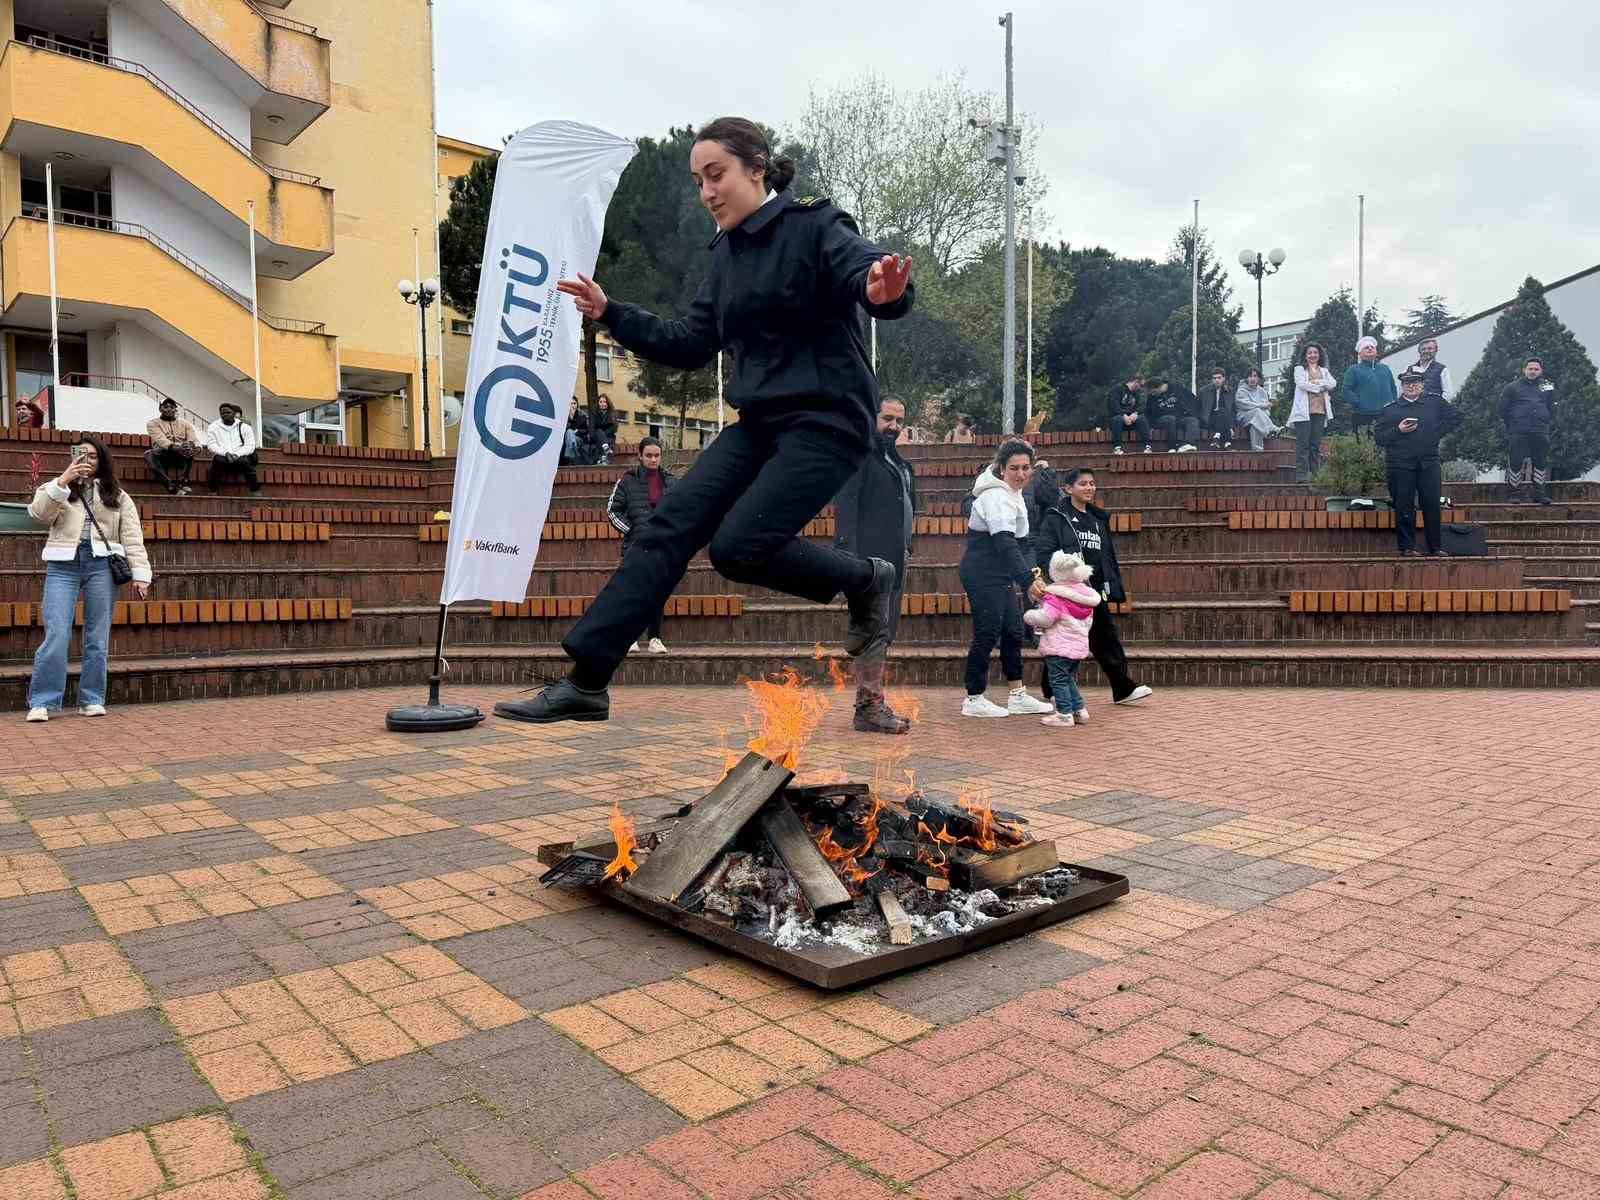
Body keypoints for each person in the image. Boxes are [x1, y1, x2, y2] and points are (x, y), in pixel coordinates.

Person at [497, 117, 913, 724]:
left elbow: (866, 271)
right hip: (762, 424)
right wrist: (613, 312)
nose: (707, 193)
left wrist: (882, 291)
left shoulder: (814, 225)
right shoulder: (725, 258)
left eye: (716, 175)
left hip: (828, 421)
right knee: (667, 526)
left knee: (738, 548)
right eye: (698, 182)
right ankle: (586, 682)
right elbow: (690, 342)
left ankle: (865, 581)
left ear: (756, 168)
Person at [24, 437, 152, 721]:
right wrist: (63, 481)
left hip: (102, 565)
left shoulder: (117, 494)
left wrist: (141, 575)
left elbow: (132, 537)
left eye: (93, 456)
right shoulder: (58, 487)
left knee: (97, 635)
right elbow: (37, 514)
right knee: (57, 632)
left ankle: (91, 698)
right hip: (62, 565)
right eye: (81, 454)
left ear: (102, 460)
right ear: (72, 457)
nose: (87, 460)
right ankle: (43, 701)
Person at [1034, 467, 1153, 706]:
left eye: (1092, 483)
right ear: (1068, 489)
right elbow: (1045, 552)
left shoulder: (1097, 519)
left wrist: (1111, 585)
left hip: (1093, 591)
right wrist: (1062, 578)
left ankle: (1122, 688)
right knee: (1068, 638)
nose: (1089, 488)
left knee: (1105, 636)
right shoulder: (1057, 516)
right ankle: (1054, 689)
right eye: (1082, 484)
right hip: (1069, 591)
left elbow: (1105, 556)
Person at [834, 397, 917, 734]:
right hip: (869, 563)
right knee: (873, 633)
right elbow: (846, 509)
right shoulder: (859, 457)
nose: (893, 427)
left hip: (896, 561)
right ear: (872, 418)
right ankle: (869, 708)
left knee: (884, 634)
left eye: (899, 421)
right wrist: (848, 561)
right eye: (887, 419)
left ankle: (870, 702)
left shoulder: (897, 463)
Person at [959, 440, 1051, 718]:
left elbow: (1022, 545)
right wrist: (1026, 580)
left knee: (1012, 631)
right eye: (1014, 468)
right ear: (1001, 468)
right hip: (981, 573)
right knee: (987, 632)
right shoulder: (995, 496)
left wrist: (1034, 574)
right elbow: (1004, 544)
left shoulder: (1015, 494)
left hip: (1000, 574)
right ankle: (973, 698)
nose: (1021, 474)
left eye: (1025, 468)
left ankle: (1017, 694)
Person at [1374, 367, 1462, 557]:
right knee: (1404, 506)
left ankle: (1436, 547)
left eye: (1415, 382)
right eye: (1407, 383)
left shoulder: (1435, 402)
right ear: (1402, 386)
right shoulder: (1390, 410)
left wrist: (1436, 433)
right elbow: (1379, 438)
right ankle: (1406, 548)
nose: (1411, 386)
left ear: (1422, 384)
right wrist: (1398, 430)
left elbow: (1457, 417)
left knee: (1431, 505)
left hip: (1429, 463)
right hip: (1400, 465)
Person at [606, 436, 677, 652]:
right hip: (635, 547)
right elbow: (612, 510)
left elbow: (682, 510)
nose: (653, 459)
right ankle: (630, 638)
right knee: (633, 593)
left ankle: (655, 638)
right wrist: (631, 531)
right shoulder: (627, 481)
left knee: (656, 593)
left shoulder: (671, 481)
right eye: (648, 455)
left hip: (662, 547)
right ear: (640, 456)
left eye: (656, 456)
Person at [1024, 550, 1100, 728]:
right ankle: (1079, 709)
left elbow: (1046, 618)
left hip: (1058, 646)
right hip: (1078, 646)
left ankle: (1064, 714)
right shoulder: (1086, 595)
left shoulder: (1056, 595)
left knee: (1058, 680)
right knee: (1067, 678)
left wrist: (1030, 615)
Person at [1499, 357, 1557, 505]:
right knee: (1516, 461)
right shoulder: (1511, 387)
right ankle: (1514, 494)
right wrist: (1514, 422)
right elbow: (1502, 411)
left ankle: (1539, 494)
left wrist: (1544, 419)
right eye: (1530, 368)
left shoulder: (1548, 387)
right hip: (1518, 431)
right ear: (1524, 370)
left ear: (1541, 371)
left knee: (1540, 462)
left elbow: (1552, 408)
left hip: (1540, 431)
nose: (1533, 371)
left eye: (1536, 369)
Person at [1290, 343, 1336, 481]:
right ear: (1305, 355)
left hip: (1320, 411)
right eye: (1309, 353)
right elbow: (1301, 384)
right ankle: (1301, 476)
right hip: (1303, 412)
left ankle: (1316, 475)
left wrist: (1317, 382)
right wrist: (1320, 386)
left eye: (1315, 352)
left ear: (1319, 355)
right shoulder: (1299, 369)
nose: (1312, 355)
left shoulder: (1324, 371)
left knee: (1315, 445)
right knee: (1303, 444)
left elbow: (1333, 383)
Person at [1340, 336, 1396, 439]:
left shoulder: (1385, 368)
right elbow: (1346, 390)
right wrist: (1359, 403)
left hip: (1386, 414)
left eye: (1372, 347)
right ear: (1360, 354)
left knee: (1387, 442)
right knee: (1366, 446)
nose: (1370, 349)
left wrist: (1393, 403)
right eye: (1366, 347)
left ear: (1376, 351)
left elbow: (1393, 387)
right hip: (1363, 415)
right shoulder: (1354, 370)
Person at [145, 398, 201, 495]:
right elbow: (161, 440)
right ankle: (170, 486)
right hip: (163, 456)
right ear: (160, 409)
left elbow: (193, 439)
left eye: (172, 407)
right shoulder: (152, 423)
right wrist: (179, 447)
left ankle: (184, 482)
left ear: (175, 409)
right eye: (165, 407)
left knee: (189, 448)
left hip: (181, 456)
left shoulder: (185, 424)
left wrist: (197, 447)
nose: (169, 409)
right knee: (149, 454)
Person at [204, 404, 261, 494]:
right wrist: (225, 453)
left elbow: (250, 446)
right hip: (223, 457)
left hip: (240, 457)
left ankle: (255, 490)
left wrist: (237, 454)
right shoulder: (213, 427)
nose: (225, 414)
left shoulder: (245, 427)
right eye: (222, 413)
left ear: (234, 413)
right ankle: (213, 490)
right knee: (217, 460)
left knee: (245, 462)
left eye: (228, 412)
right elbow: (211, 445)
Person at [1145, 379, 1199, 452]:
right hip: (1161, 419)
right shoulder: (1152, 397)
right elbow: (1148, 413)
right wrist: (1151, 425)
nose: (1153, 394)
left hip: (1179, 417)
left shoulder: (1177, 388)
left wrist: (1190, 412)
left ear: (1159, 387)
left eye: (1154, 392)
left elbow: (1192, 398)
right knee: (1170, 418)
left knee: (1193, 420)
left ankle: (1188, 444)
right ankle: (1172, 446)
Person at [1106, 375, 1151, 454]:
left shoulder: (1136, 394)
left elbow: (1141, 407)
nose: (1141, 388)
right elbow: (1114, 406)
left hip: (1130, 421)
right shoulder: (1117, 389)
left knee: (1142, 419)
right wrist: (1124, 416)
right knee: (1118, 419)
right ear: (1135, 382)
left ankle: (1147, 447)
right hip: (1117, 420)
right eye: (1141, 385)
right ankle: (1117, 448)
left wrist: (1135, 413)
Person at [1234, 368, 1275, 451]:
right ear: (1246, 378)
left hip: (1257, 420)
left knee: (1255, 424)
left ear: (1259, 378)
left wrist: (1263, 410)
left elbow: (1267, 411)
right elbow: (1246, 405)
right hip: (1244, 417)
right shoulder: (1241, 391)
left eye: (1255, 376)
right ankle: (1272, 429)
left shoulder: (1262, 391)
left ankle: (1257, 449)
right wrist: (1262, 406)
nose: (1252, 379)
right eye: (1250, 376)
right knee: (1256, 412)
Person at [1408, 337, 1455, 403]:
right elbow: (1403, 392)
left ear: (1436, 350)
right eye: (1423, 349)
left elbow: (1448, 393)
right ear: (1419, 351)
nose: (1426, 351)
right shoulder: (1410, 369)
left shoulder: (1442, 369)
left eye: (1430, 348)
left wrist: (1437, 407)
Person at [1197, 368, 1235, 448]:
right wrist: (1229, 428)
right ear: (1212, 379)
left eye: (1219, 378)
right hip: (1209, 420)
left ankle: (1216, 437)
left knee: (1222, 411)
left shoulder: (1230, 391)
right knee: (1222, 411)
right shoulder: (1203, 391)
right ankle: (1227, 442)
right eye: (1214, 378)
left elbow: (1232, 411)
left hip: (1224, 419)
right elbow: (1199, 408)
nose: (1217, 380)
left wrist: (1231, 425)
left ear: (1224, 379)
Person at [563, 398, 590, 464]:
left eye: (574, 403)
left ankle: (572, 449)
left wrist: (577, 431)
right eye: (571, 404)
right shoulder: (564, 416)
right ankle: (573, 447)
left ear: (577, 404)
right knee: (569, 432)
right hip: (569, 439)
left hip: (580, 438)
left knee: (570, 432)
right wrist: (570, 418)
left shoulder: (582, 415)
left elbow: (586, 430)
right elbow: (564, 430)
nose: (573, 406)